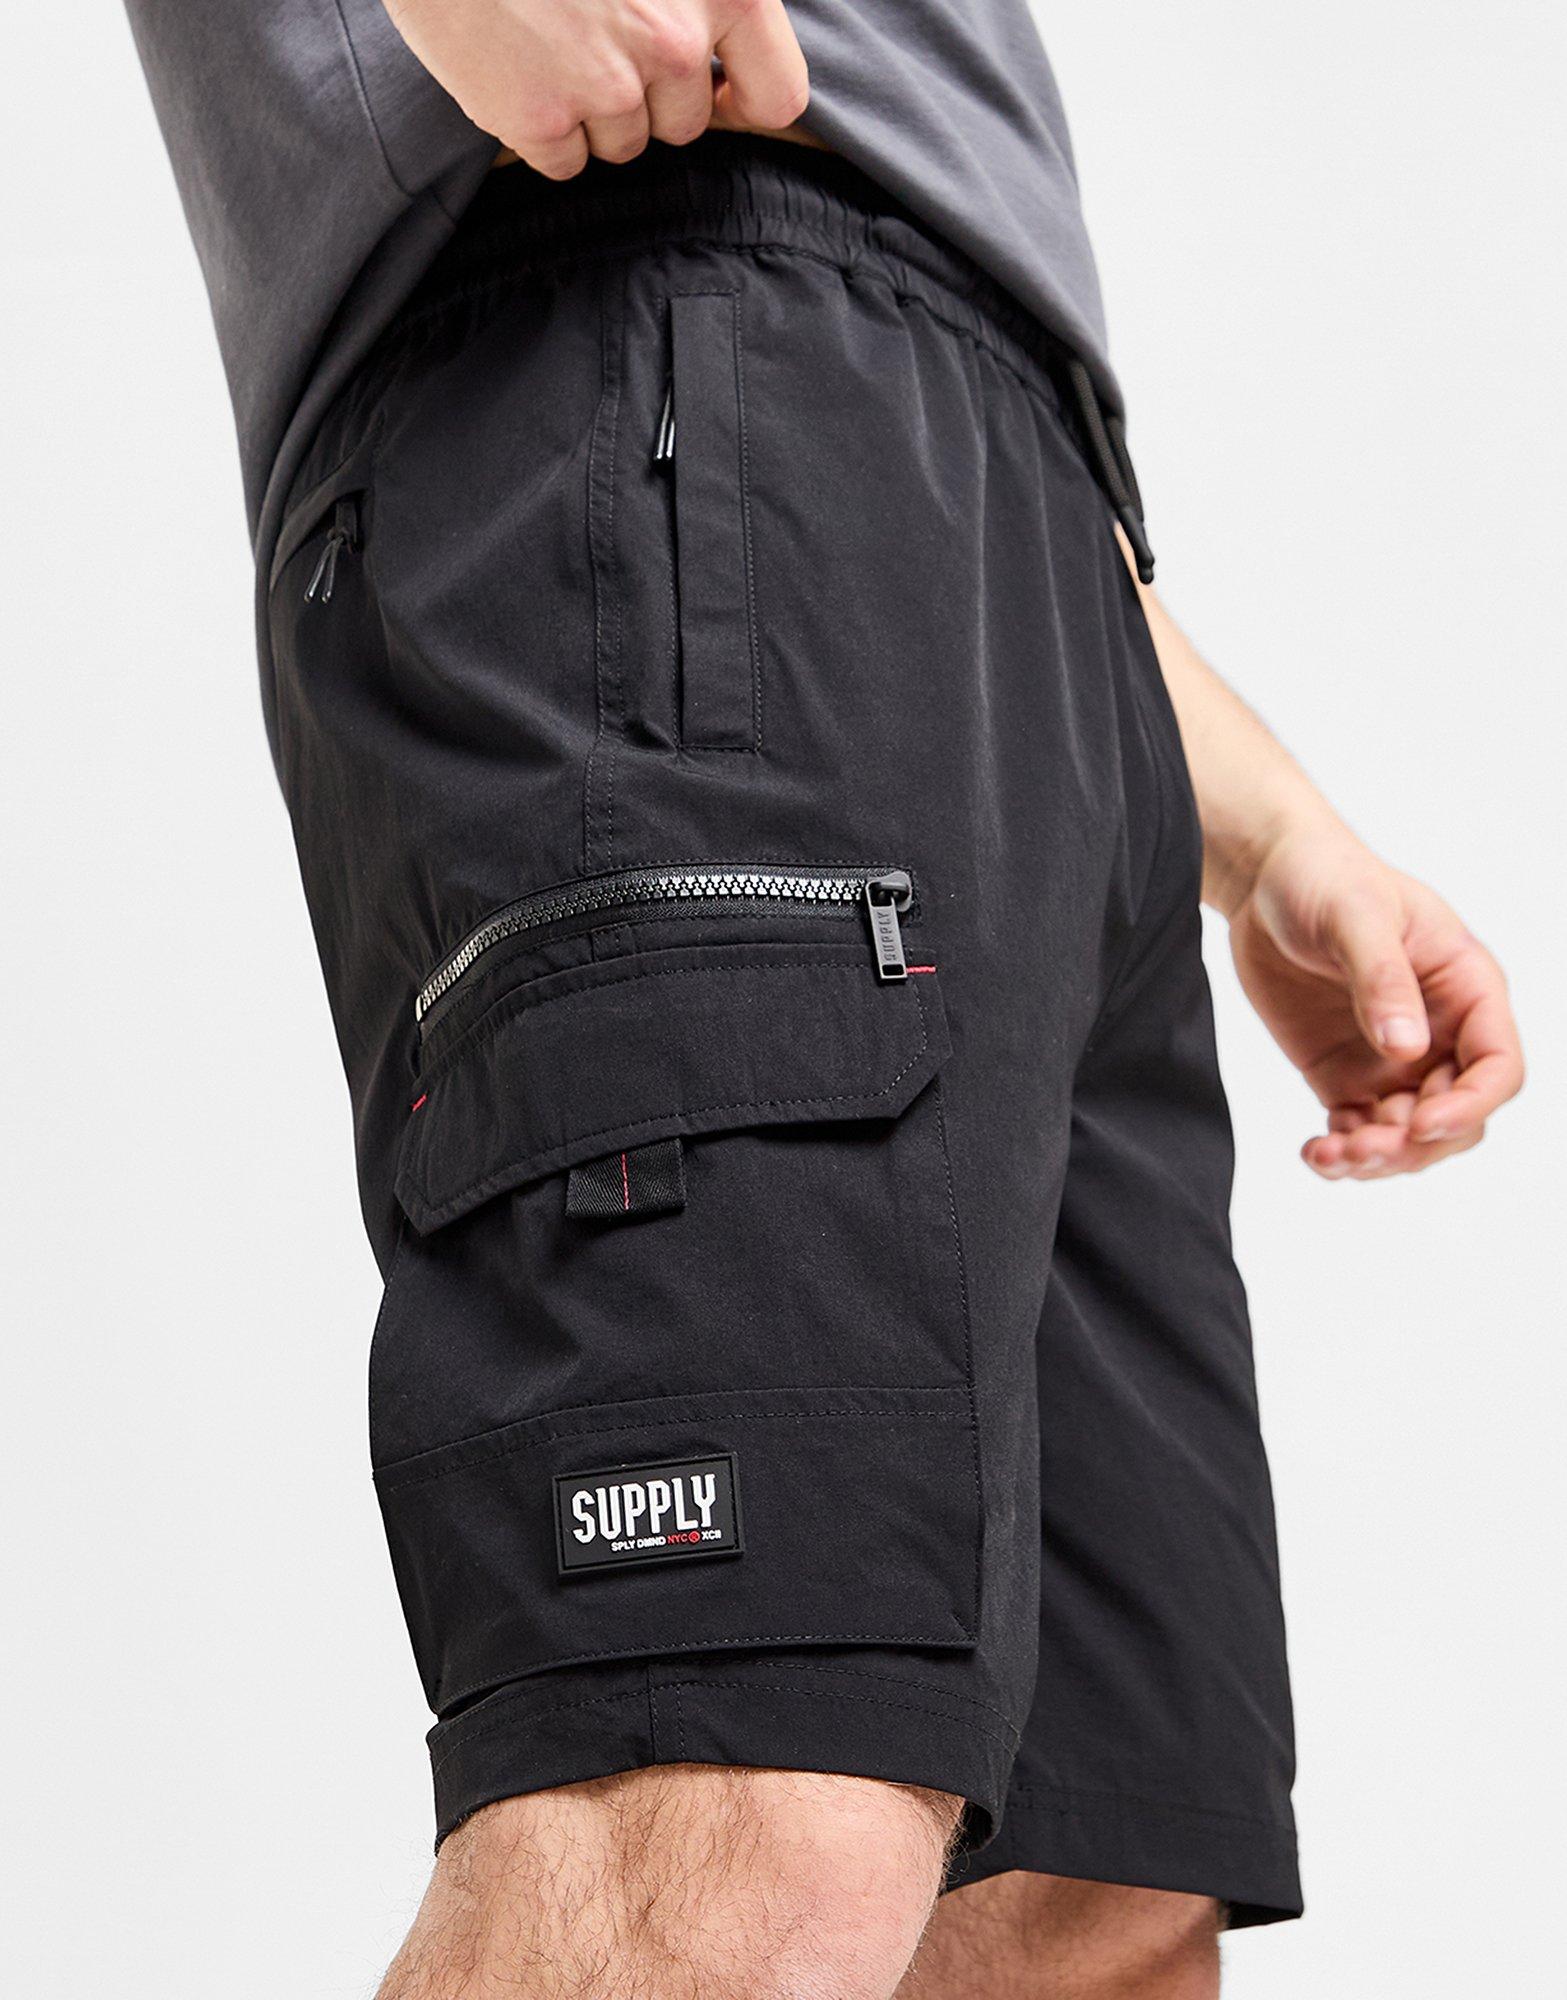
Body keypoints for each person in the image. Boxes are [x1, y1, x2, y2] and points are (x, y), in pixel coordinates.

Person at [124, 3, 1524, 1994]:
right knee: (727, 1831)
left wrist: (1253, 813)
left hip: (1006, 534)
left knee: (1089, 1909)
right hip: (643, 358)